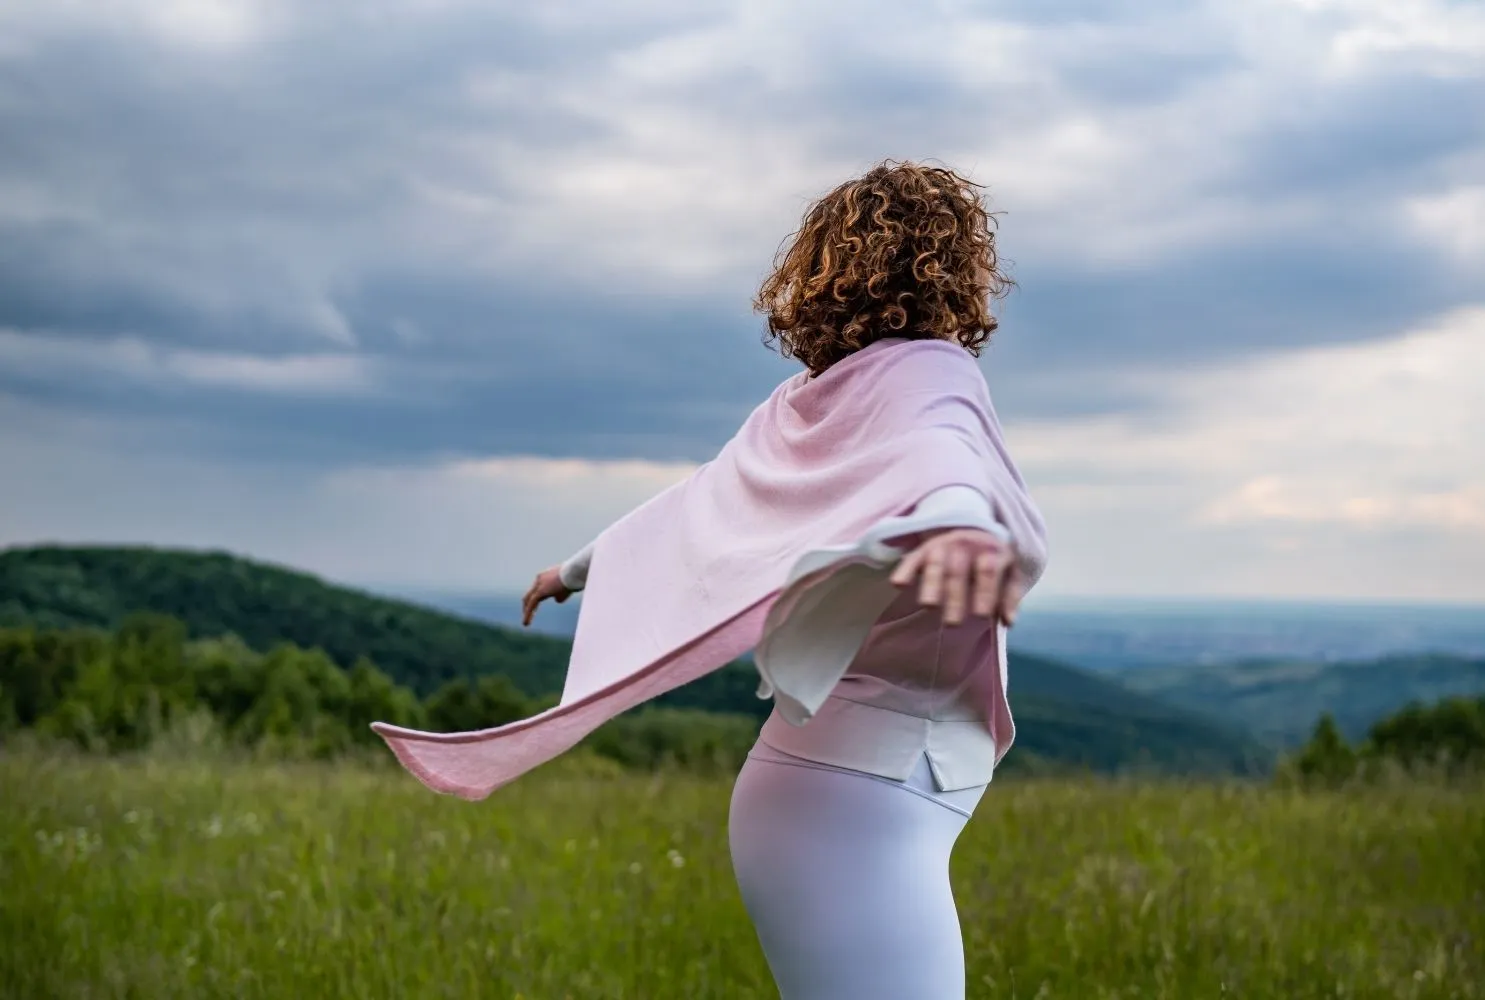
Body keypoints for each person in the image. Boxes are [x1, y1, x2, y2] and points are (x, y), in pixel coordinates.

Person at [516, 160, 1048, 1000]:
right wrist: (963, 524)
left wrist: (576, 569)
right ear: (953, 270)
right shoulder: (932, 374)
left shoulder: (808, 401)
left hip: (805, 799)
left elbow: (697, 507)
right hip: (863, 812)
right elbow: (947, 460)